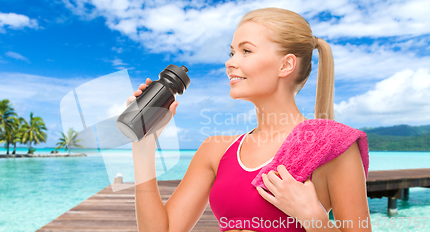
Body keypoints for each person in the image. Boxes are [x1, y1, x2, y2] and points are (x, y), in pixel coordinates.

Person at [127, 7, 372, 232]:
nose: (230, 62)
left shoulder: (333, 147)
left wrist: (314, 219)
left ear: (285, 65)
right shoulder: (214, 150)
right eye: (232, 52)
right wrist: (143, 146)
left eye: (246, 51)